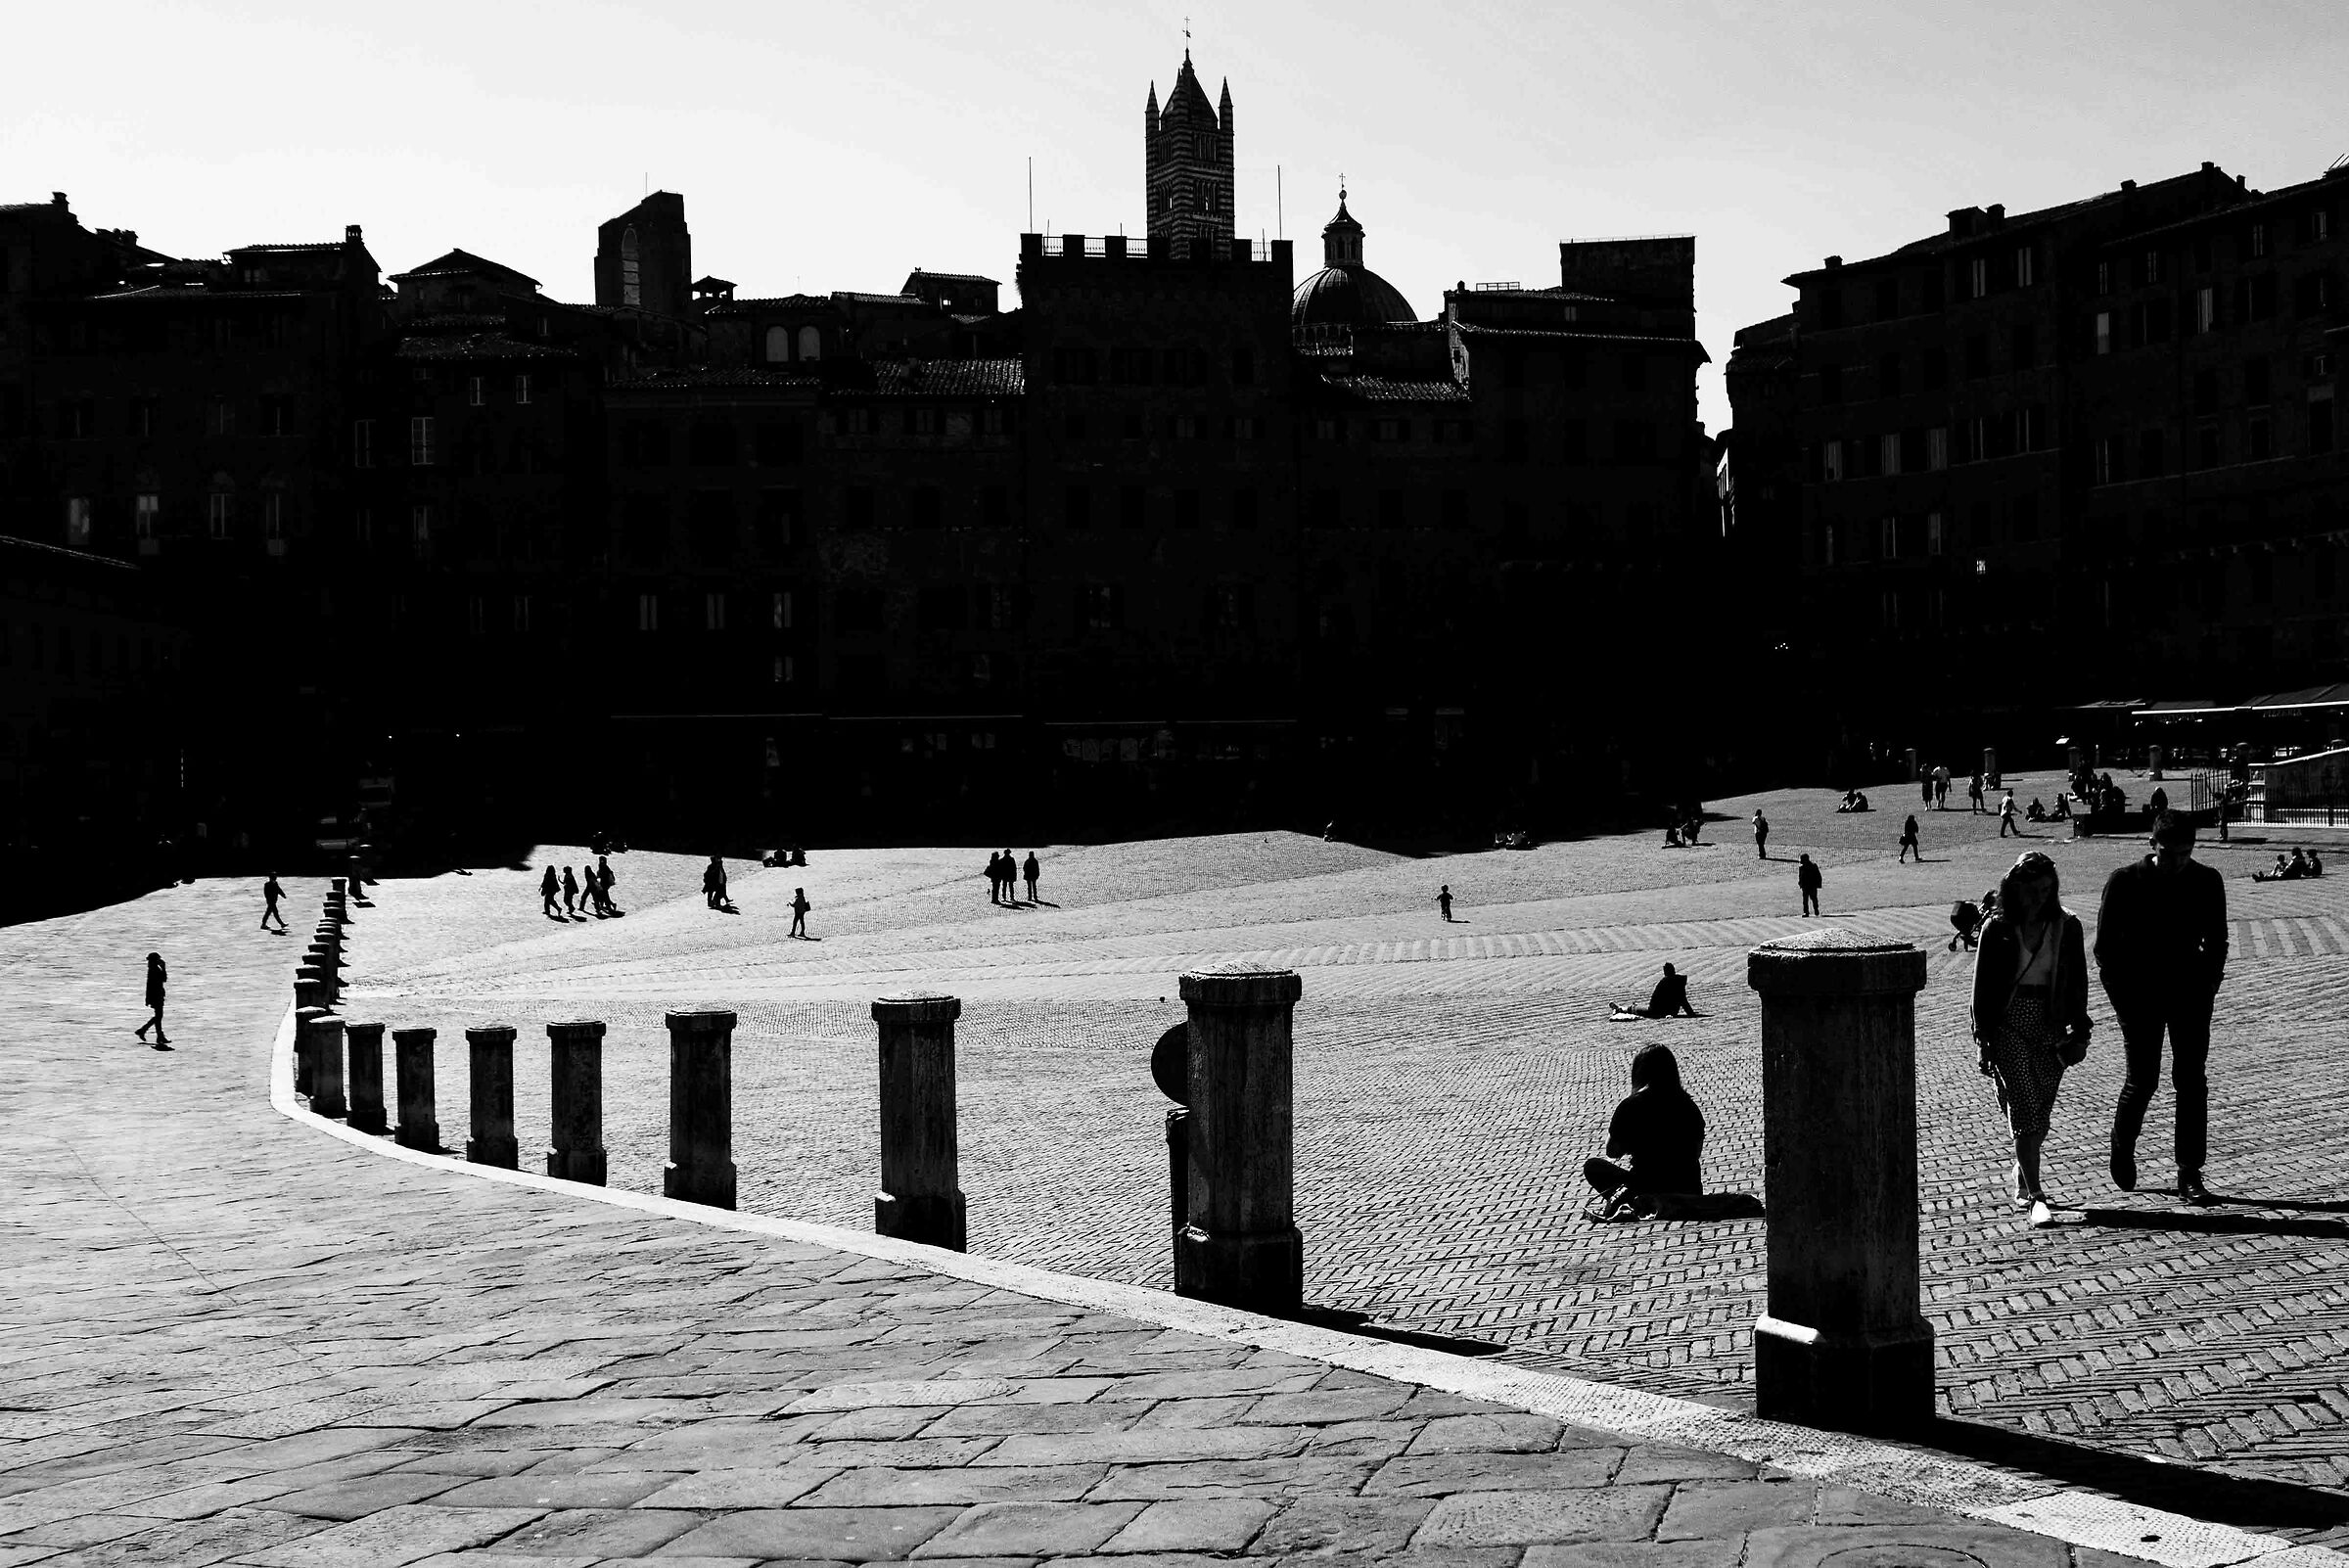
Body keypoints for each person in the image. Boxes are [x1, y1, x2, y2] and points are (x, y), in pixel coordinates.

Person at [2096, 812, 2228, 1205]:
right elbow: (2105, 950)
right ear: (2152, 844)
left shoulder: (2207, 881)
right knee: (2143, 1079)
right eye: (2170, 854)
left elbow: (2217, 942)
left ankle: (2189, 1171)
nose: (2177, 862)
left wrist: (2208, 988)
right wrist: (2123, 997)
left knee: (2191, 1082)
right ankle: (2123, 1144)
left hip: (2190, 995)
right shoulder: (2125, 881)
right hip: (2140, 997)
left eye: (2185, 854)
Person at [1971, 851, 2091, 1220]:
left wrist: (2080, 1031)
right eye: (2033, 890)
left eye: (2047, 889)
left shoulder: (2067, 926)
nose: (2041, 897)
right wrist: (1983, 1040)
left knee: (2039, 1109)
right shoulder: (1998, 928)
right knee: (2024, 1107)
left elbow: (2078, 983)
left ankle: (2023, 1168)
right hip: (2009, 1021)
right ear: (2015, 889)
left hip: (2050, 1022)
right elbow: (1981, 988)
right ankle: (2034, 1191)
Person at [1584, 1044, 1705, 1202]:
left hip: (1647, 1185)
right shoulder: (1688, 1104)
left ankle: (1632, 1200)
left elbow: (1612, 1151)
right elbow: (1696, 1152)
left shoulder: (1631, 1105)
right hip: (1689, 1187)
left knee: (1593, 1167)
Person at [1611, 962, 1698, 1020]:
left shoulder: (1664, 982)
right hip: (1672, 1011)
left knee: (1638, 1009)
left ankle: (1621, 1009)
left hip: (1657, 1012)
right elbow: (1683, 1000)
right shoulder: (1679, 981)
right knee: (1640, 1008)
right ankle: (1623, 1008)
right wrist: (1690, 1013)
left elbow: (1654, 1001)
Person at [134, 952, 170, 1048]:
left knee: (158, 1016)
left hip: (155, 996)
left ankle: (158, 1036)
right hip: (156, 996)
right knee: (159, 1016)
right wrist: (164, 967)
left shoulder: (152, 969)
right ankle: (144, 1030)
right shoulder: (155, 970)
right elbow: (164, 979)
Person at [1797, 853, 1822, 917]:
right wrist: (1800, 884)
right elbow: (1800, 877)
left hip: (1812, 885)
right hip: (1805, 886)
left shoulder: (1813, 866)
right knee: (1805, 900)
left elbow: (1818, 876)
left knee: (1814, 899)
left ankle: (1816, 910)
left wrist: (1818, 884)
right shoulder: (1801, 867)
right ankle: (1806, 912)